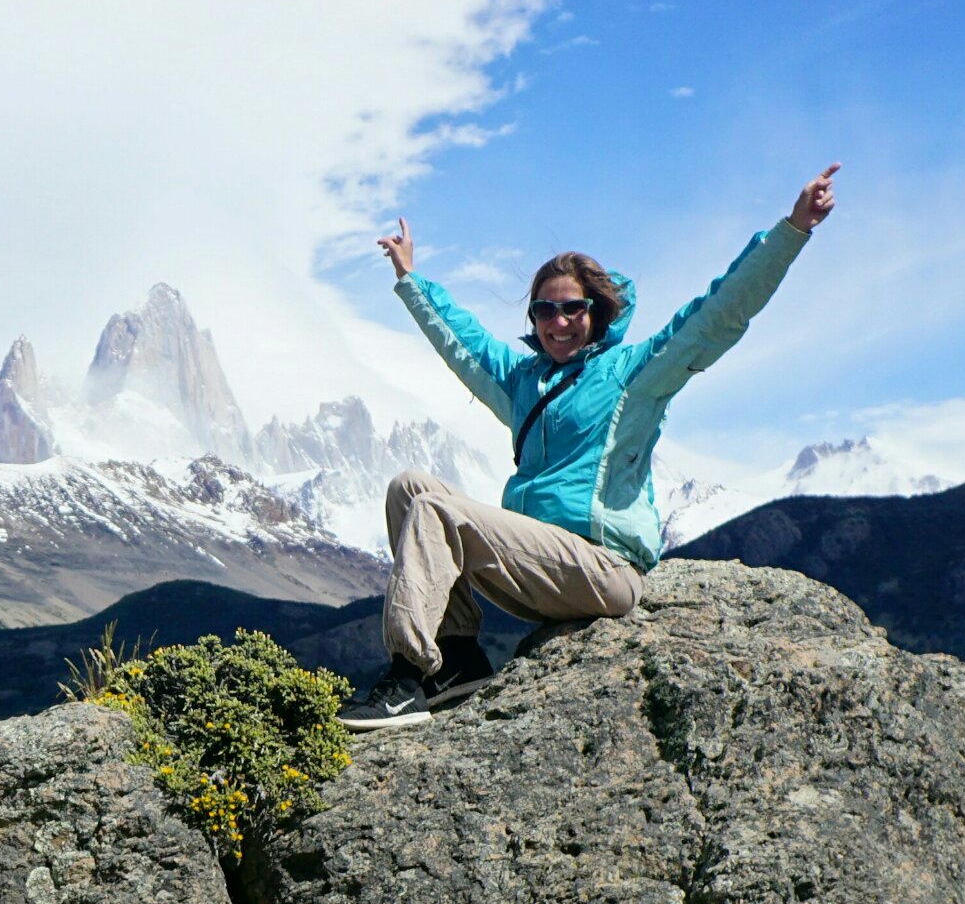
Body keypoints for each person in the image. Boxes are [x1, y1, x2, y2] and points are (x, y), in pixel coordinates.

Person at [344, 165, 840, 729]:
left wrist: (791, 230)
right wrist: (411, 279)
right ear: (533, 318)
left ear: (596, 312)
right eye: (545, 310)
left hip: (603, 569)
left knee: (437, 511)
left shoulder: (634, 374)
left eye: (573, 308)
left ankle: (408, 674)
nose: (559, 322)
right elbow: (464, 342)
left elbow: (717, 315)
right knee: (409, 489)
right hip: (540, 568)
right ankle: (456, 657)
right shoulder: (524, 380)